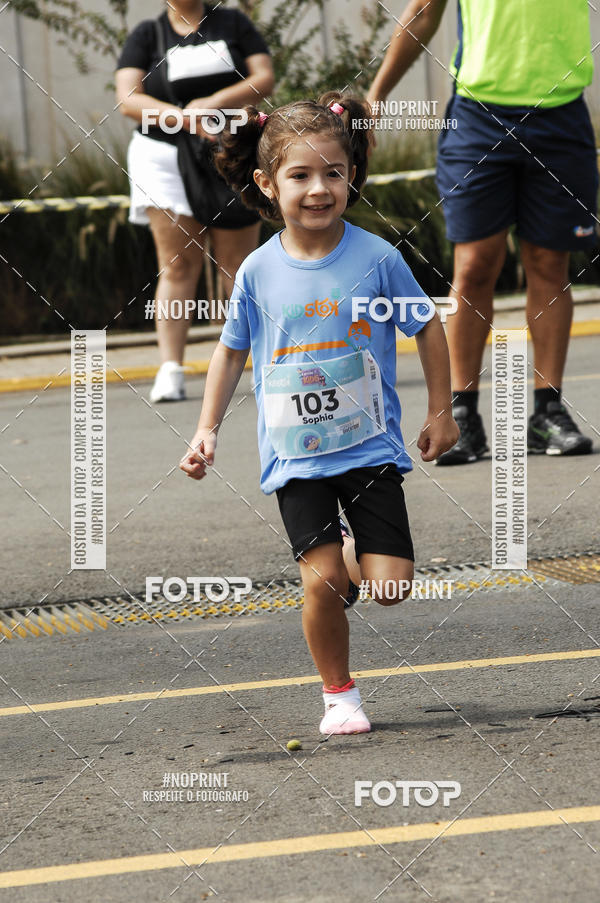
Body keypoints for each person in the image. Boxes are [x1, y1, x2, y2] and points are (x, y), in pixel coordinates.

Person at [179, 93, 459, 734]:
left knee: (390, 587)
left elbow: (429, 329)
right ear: (266, 184)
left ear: (351, 176)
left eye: (332, 172)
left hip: (369, 450)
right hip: (296, 457)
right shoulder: (256, 271)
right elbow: (228, 354)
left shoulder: (377, 259)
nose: (318, 188)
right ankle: (340, 695)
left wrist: (441, 412)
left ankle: (354, 553)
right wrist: (205, 430)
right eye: (300, 175)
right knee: (322, 581)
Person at [367, 0, 596, 462]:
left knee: (550, 264)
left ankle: (547, 413)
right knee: (472, 268)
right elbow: (423, 12)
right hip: (478, 116)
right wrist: (377, 94)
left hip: (561, 113)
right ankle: (462, 414)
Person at [116, 0, 274, 402]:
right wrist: (184, 116)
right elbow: (129, 100)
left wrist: (214, 103)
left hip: (232, 152)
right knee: (177, 264)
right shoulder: (147, 35)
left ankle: (263, 362)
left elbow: (263, 77)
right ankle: (171, 367)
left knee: (238, 265)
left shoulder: (234, 22)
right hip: (164, 157)